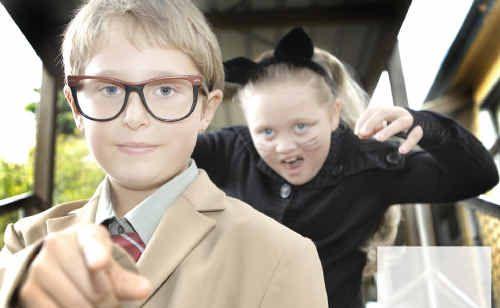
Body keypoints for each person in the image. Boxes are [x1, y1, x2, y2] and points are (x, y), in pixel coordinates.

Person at [0, 3, 328, 308]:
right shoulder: (27, 242)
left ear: (206, 109)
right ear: (76, 107)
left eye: (166, 90)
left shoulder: (283, 255)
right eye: (109, 88)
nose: (134, 116)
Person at [193, 27, 499, 308]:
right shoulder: (232, 149)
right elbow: (159, 155)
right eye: (266, 132)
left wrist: (429, 127)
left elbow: (477, 176)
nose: (284, 146)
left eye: (301, 126)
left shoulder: (370, 165)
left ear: (333, 115)